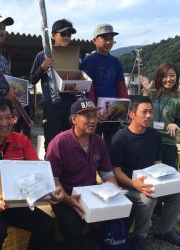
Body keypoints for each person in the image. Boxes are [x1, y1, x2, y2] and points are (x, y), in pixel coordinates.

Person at [0, 97, 64, 250]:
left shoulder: (21, 140)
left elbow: (36, 171)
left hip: (17, 201)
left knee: (47, 226)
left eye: (9, 117)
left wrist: (51, 188)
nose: (5, 123)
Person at [46, 98, 118, 250]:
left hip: (92, 194)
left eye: (94, 116)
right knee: (74, 224)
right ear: (73, 119)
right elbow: (53, 179)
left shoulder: (99, 142)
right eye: (87, 116)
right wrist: (67, 199)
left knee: (123, 211)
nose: (92, 121)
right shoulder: (59, 143)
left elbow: (106, 172)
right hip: (65, 196)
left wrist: (116, 192)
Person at [110, 96, 180, 250]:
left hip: (150, 182)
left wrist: (167, 179)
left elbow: (157, 163)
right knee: (148, 198)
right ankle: (139, 235)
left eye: (150, 112)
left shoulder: (154, 135)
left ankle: (164, 230)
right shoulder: (120, 138)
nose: (148, 116)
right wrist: (133, 183)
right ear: (132, 114)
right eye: (144, 112)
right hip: (128, 186)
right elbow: (116, 170)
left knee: (176, 193)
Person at [30, 19, 78, 151]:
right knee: (52, 142)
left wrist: (77, 89)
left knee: (71, 142)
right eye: (63, 34)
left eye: (69, 34)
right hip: (51, 106)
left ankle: (69, 170)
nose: (67, 37)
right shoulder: (43, 56)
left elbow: (78, 82)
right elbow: (32, 80)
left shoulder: (75, 56)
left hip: (70, 105)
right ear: (52, 36)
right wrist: (42, 68)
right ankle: (51, 169)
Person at [81, 23, 128, 145]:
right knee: (93, 142)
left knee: (113, 143)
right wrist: (92, 109)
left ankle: (111, 165)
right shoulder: (89, 60)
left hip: (113, 110)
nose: (108, 42)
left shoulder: (116, 62)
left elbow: (121, 86)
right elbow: (88, 88)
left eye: (111, 39)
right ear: (95, 40)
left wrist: (125, 107)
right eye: (105, 39)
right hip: (95, 110)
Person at [140, 63, 180, 169]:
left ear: (176, 77)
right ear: (159, 78)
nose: (168, 79)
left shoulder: (178, 99)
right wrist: (146, 90)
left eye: (172, 75)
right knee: (148, 176)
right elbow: (141, 111)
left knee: (169, 178)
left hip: (168, 143)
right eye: (164, 76)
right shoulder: (153, 95)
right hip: (148, 140)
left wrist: (175, 124)